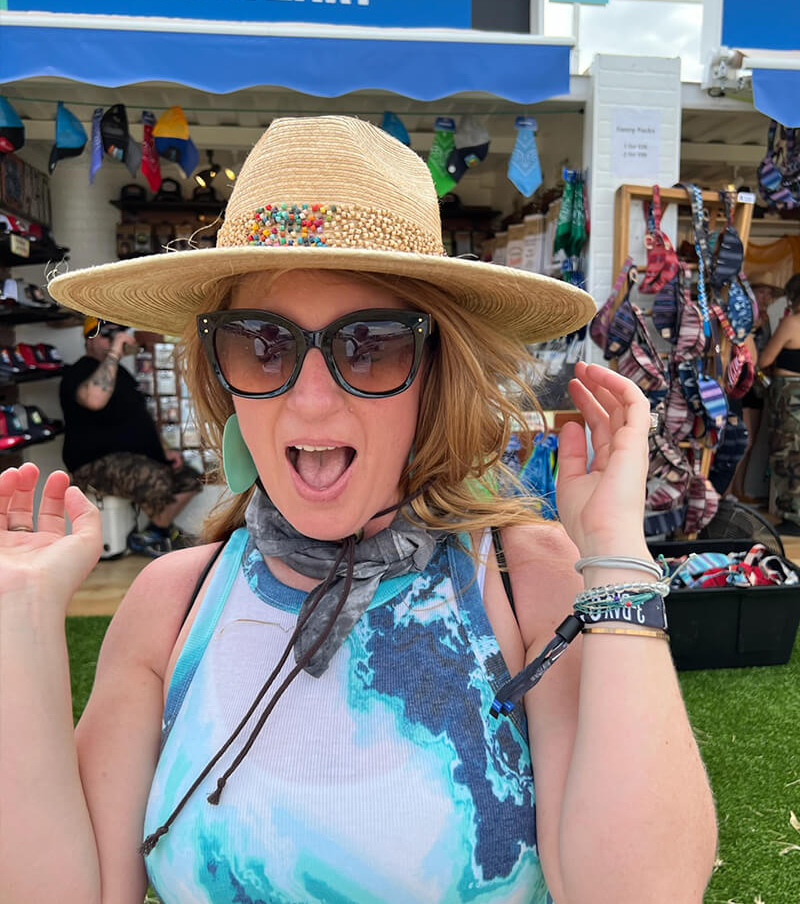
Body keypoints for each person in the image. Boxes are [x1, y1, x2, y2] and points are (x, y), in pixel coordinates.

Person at [1, 117, 717, 904]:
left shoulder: (522, 581)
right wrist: (20, 620)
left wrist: (616, 553)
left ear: (435, 372)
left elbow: (641, 891)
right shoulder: (172, 604)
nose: (310, 399)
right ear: (221, 370)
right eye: (260, 343)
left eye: (371, 342)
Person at [59, 317, 202, 555]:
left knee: (189, 478)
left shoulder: (121, 374)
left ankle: (155, 531)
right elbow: (95, 399)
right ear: (89, 340)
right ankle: (160, 533)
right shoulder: (79, 372)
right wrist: (115, 352)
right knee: (154, 478)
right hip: (93, 463)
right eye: (107, 335)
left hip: (133, 458)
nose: (114, 339)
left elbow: (138, 417)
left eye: (118, 334)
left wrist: (163, 449)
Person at [729, 281, 782, 501]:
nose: (765, 297)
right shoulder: (744, 317)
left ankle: (739, 490)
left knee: (749, 444)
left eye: (769, 294)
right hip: (743, 383)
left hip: (758, 386)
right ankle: (730, 489)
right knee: (744, 440)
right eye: (762, 292)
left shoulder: (767, 321)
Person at [759, 272, 800, 535]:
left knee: (787, 453)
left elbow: (764, 360)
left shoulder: (791, 323)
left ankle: (793, 516)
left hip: (790, 393)